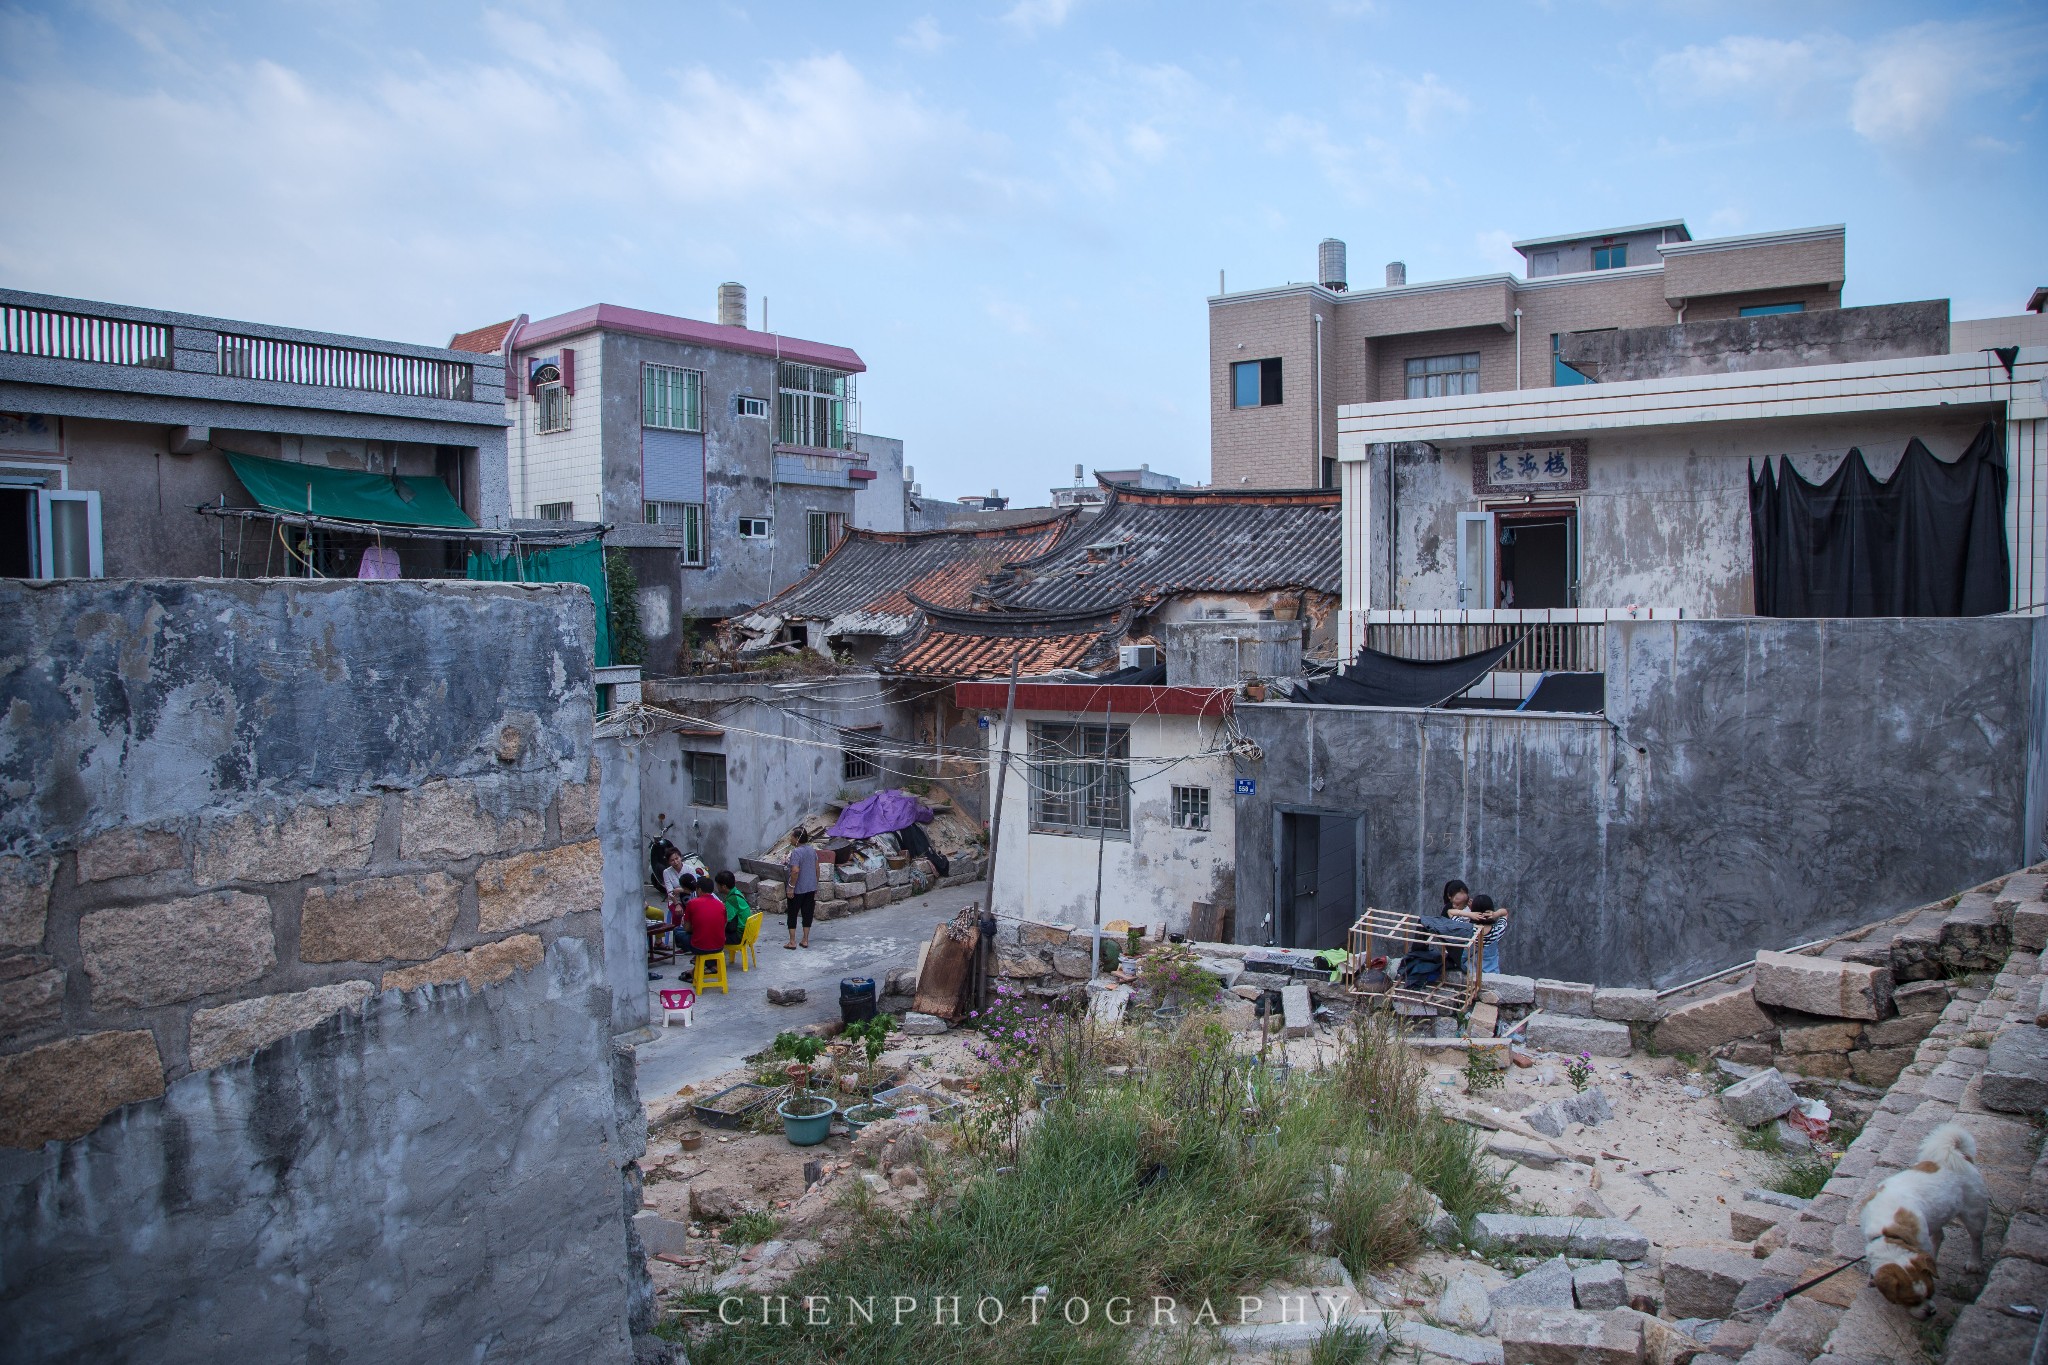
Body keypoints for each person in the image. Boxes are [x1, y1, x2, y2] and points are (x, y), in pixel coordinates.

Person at [784, 827, 820, 950]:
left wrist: (791, 887)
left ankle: (792, 941)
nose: (790, 838)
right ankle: (805, 939)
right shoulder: (812, 850)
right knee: (807, 913)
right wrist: (815, 884)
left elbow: (795, 871)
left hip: (798, 889)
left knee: (793, 914)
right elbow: (817, 868)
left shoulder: (796, 852)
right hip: (810, 887)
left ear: (796, 838)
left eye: (792, 836)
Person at [684, 875, 728, 964]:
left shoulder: (692, 903)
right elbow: (724, 924)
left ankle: (702, 964)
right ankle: (709, 965)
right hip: (720, 946)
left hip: (700, 947)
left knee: (680, 934)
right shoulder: (721, 905)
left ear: (699, 890)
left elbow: (687, 928)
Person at [1467, 894, 1511, 975]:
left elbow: (1450, 913)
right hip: (1492, 974)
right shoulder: (1497, 930)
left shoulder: (1468, 930)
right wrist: (1495, 914)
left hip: (1471, 973)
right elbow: (1505, 913)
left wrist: (1470, 914)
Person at [715, 869, 752, 941]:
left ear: (724, 886)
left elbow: (726, 921)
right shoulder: (737, 892)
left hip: (740, 935)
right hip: (747, 931)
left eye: (717, 885)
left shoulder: (731, 900)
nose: (717, 887)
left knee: (711, 935)